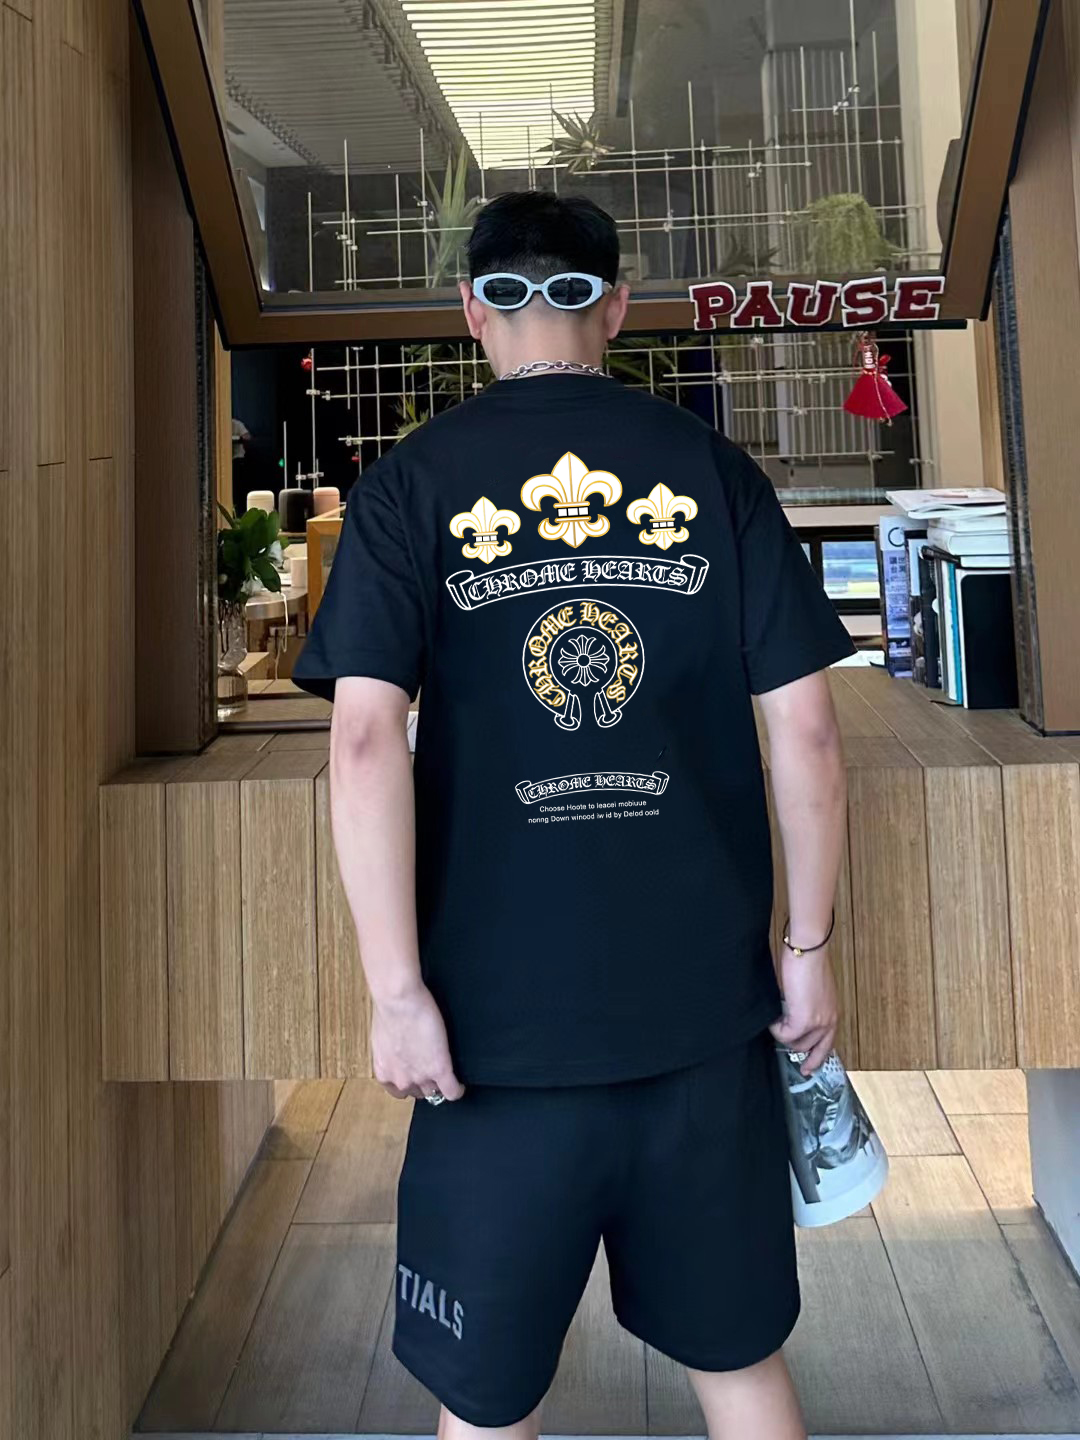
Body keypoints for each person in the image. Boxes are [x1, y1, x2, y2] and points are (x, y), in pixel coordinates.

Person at [291, 190, 854, 1440]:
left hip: (491, 1041)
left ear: (472, 312)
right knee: (740, 1368)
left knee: (488, 1406)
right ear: (617, 307)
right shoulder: (713, 470)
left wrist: (396, 993)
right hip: (702, 1016)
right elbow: (808, 732)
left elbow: (365, 739)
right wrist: (807, 951)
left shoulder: (409, 484)